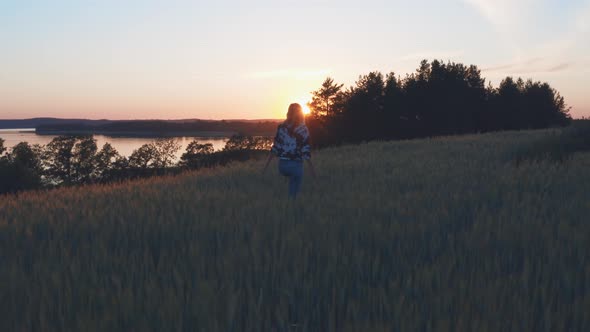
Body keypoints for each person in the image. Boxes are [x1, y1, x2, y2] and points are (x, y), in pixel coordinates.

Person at [263, 103, 316, 198]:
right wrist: (312, 170)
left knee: (292, 179)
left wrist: (266, 167)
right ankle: (292, 205)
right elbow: (305, 151)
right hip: (295, 165)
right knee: (295, 187)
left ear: (288, 113)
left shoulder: (281, 127)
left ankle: (286, 201)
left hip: (282, 166)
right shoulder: (303, 129)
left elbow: (275, 147)